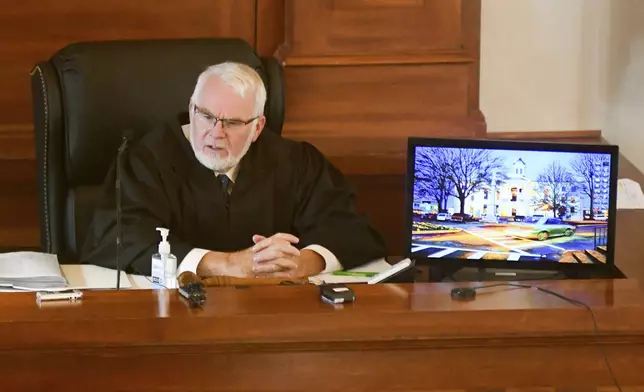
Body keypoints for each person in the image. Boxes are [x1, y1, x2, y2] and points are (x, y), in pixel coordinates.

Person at [80, 61, 387, 279]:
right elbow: (118, 237)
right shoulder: (146, 160)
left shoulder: (293, 161)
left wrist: (303, 263)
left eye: (233, 123)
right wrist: (227, 264)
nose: (216, 132)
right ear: (191, 109)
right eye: (206, 116)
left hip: (272, 319)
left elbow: (351, 229)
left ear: (258, 127)